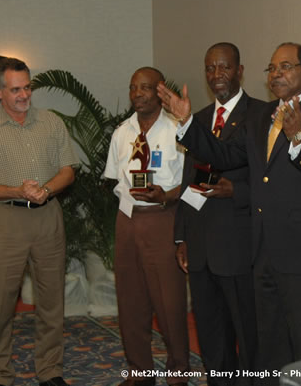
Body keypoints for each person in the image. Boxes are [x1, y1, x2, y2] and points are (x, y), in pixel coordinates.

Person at [158, 43, 301, 384]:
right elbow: (222, 155)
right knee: (269, 352)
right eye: (272, 68)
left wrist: (298, 136)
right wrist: (187, 122)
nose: (276, 74)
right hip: (261, 256)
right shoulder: (259, 118)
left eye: (286, 67)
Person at [0, 57, 79, 386]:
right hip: (5, 221)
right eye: (15, 89)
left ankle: (50, 370)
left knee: (52, 300)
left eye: (27, 87)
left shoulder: (52, 123)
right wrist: (16, 190)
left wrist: (45, 189)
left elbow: (68, 169)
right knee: (0, 304)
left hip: (48, 218)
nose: (24, 95)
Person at [174, 42, 263, 386]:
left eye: (224, 67)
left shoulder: (260, 115)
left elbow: (271, 184)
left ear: (240, 71)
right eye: (210, 68)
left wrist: (236, 191)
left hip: (239, 247)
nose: (216, 75)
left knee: (248, 336)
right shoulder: (195, 121)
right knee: (211, 337)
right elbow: (187, 180)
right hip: (200, 248)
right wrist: (181, 237)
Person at [104, 67, 189, 386]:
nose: (137, 93)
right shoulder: (122, 132)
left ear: (160, 91)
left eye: (145, 87)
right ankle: (139, 371)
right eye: (132, 88)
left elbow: (192, 181)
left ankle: (179, 370)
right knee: (130, 299)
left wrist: (165, 196)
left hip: (163, 218)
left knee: (169, 301)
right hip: (126, 218)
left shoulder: (178, 129)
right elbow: (116, 178)